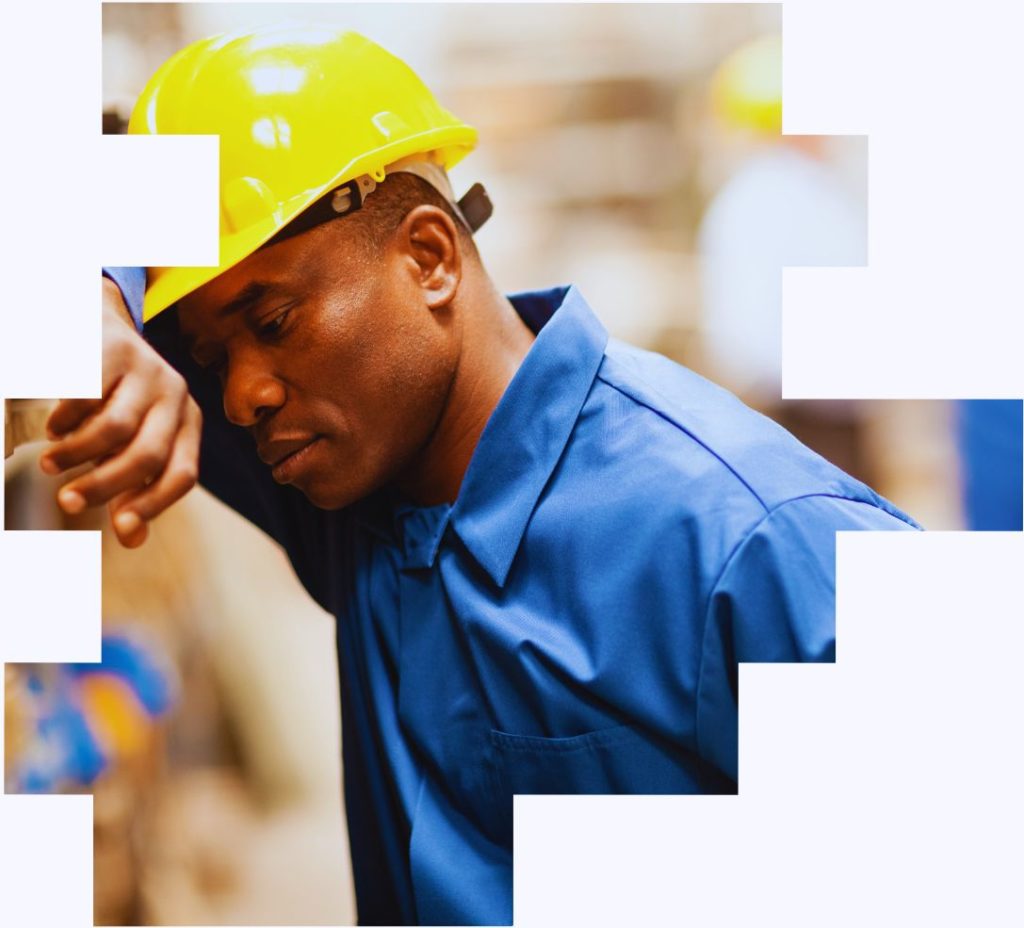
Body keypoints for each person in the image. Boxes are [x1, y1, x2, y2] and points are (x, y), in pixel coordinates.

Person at [46, 26, 918, 926]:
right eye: (208, 356)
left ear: (429, 257)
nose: (239, 396)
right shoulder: (353, 493)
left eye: (272, 323)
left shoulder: (752, 532)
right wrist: (100, 306)